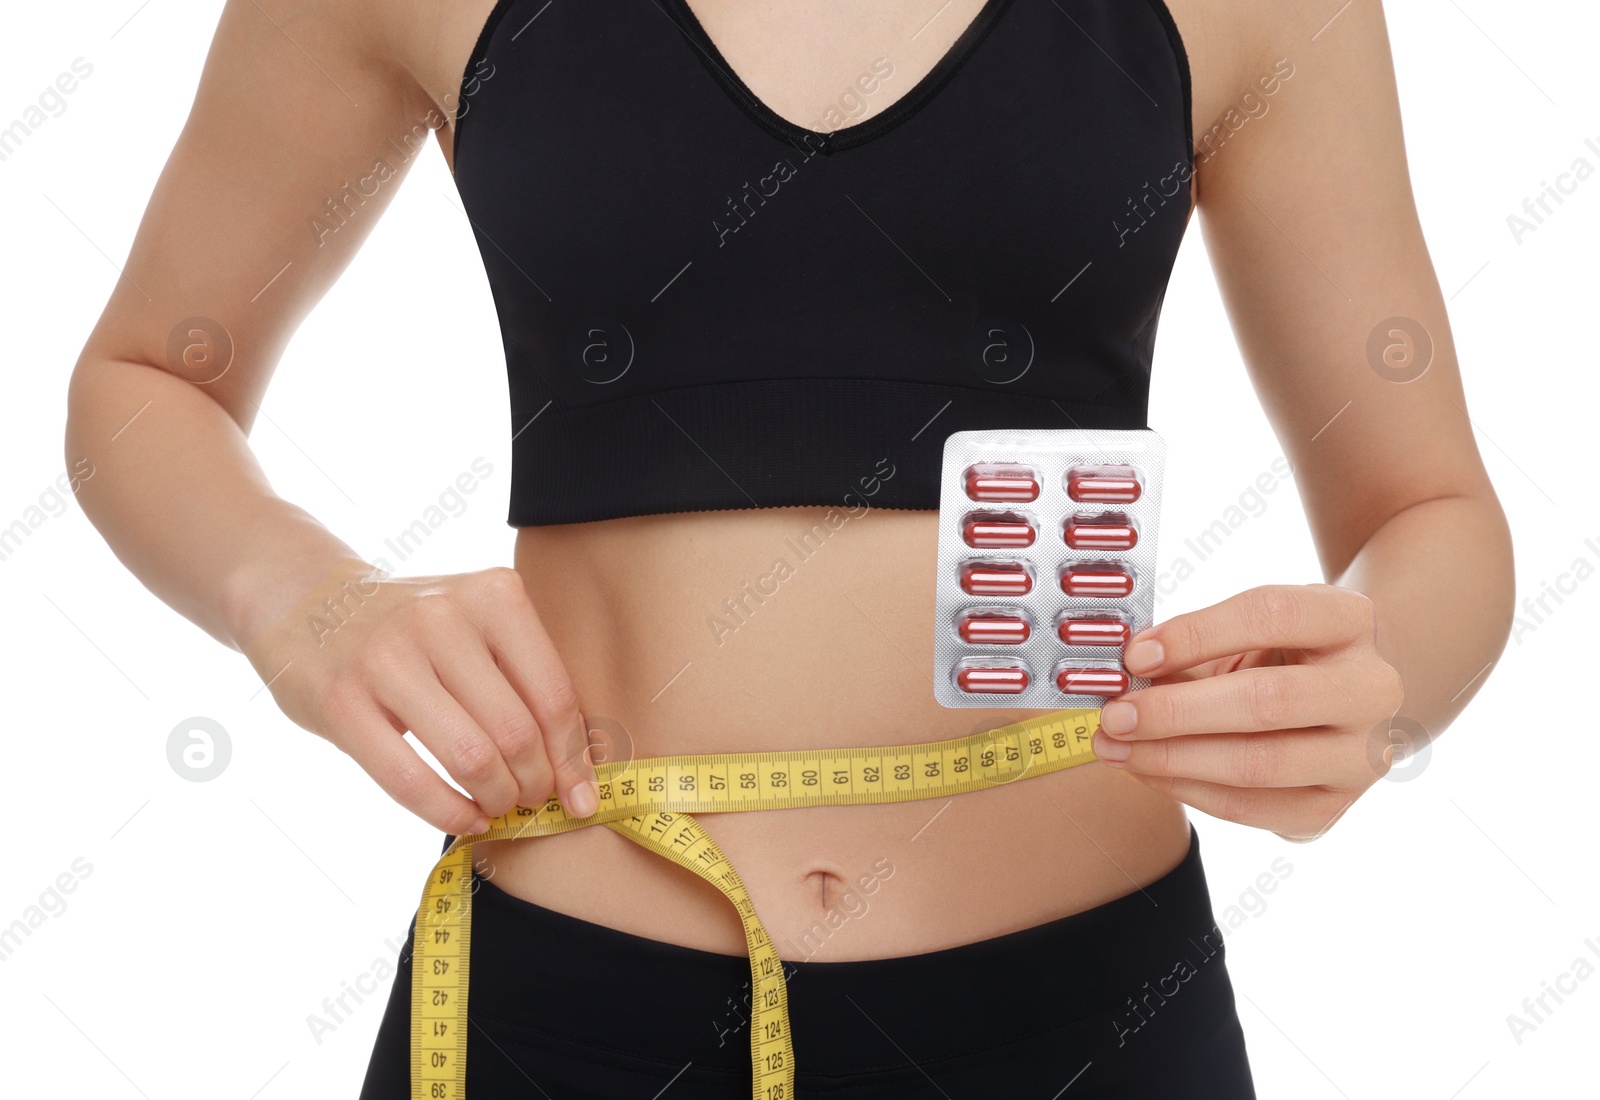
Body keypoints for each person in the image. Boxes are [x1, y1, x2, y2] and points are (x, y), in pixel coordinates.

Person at [64, 0, 1513, 1095]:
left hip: (1091, 1011)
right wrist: (301, 599)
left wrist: (1378, 693)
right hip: (570, 1012)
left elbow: (1428, 514)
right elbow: (145, 379)